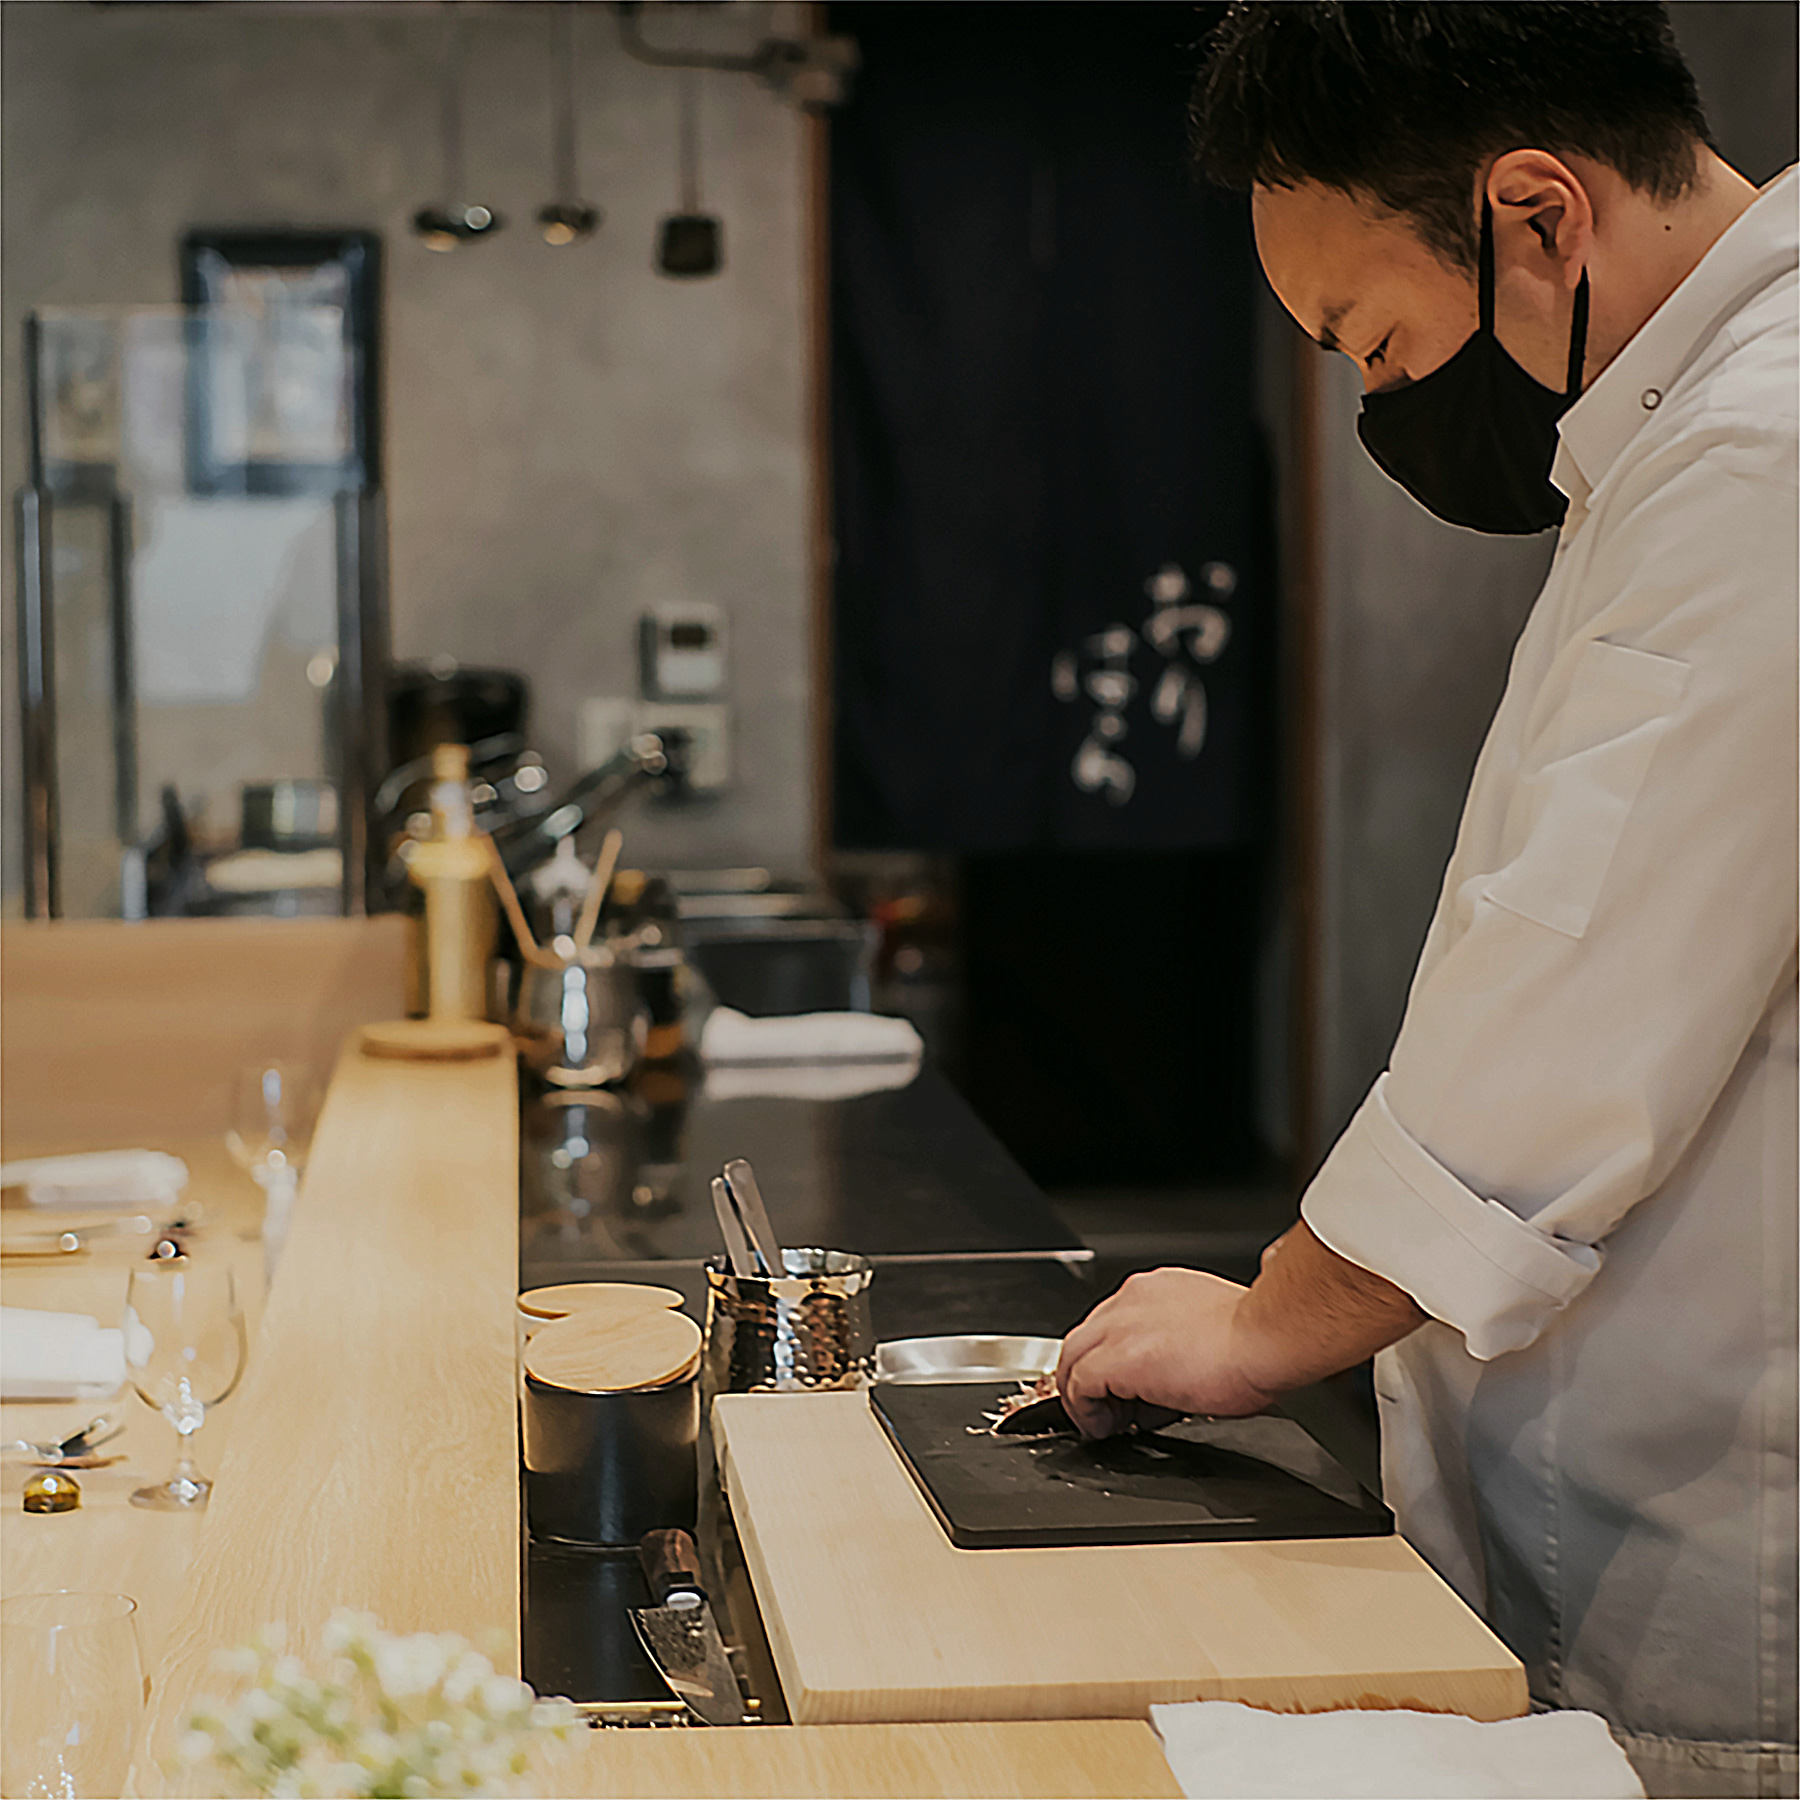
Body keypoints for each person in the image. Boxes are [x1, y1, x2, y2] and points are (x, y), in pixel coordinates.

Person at [1052, 6, 1797, 1794]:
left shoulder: (1765, 453)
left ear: (1537, 215)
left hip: (1724, 1546)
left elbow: (1569, 1006)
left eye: (1372, 340)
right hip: (1621, 1479)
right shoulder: (1681, 428)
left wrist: (1257, 1327)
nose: (1380, 401)